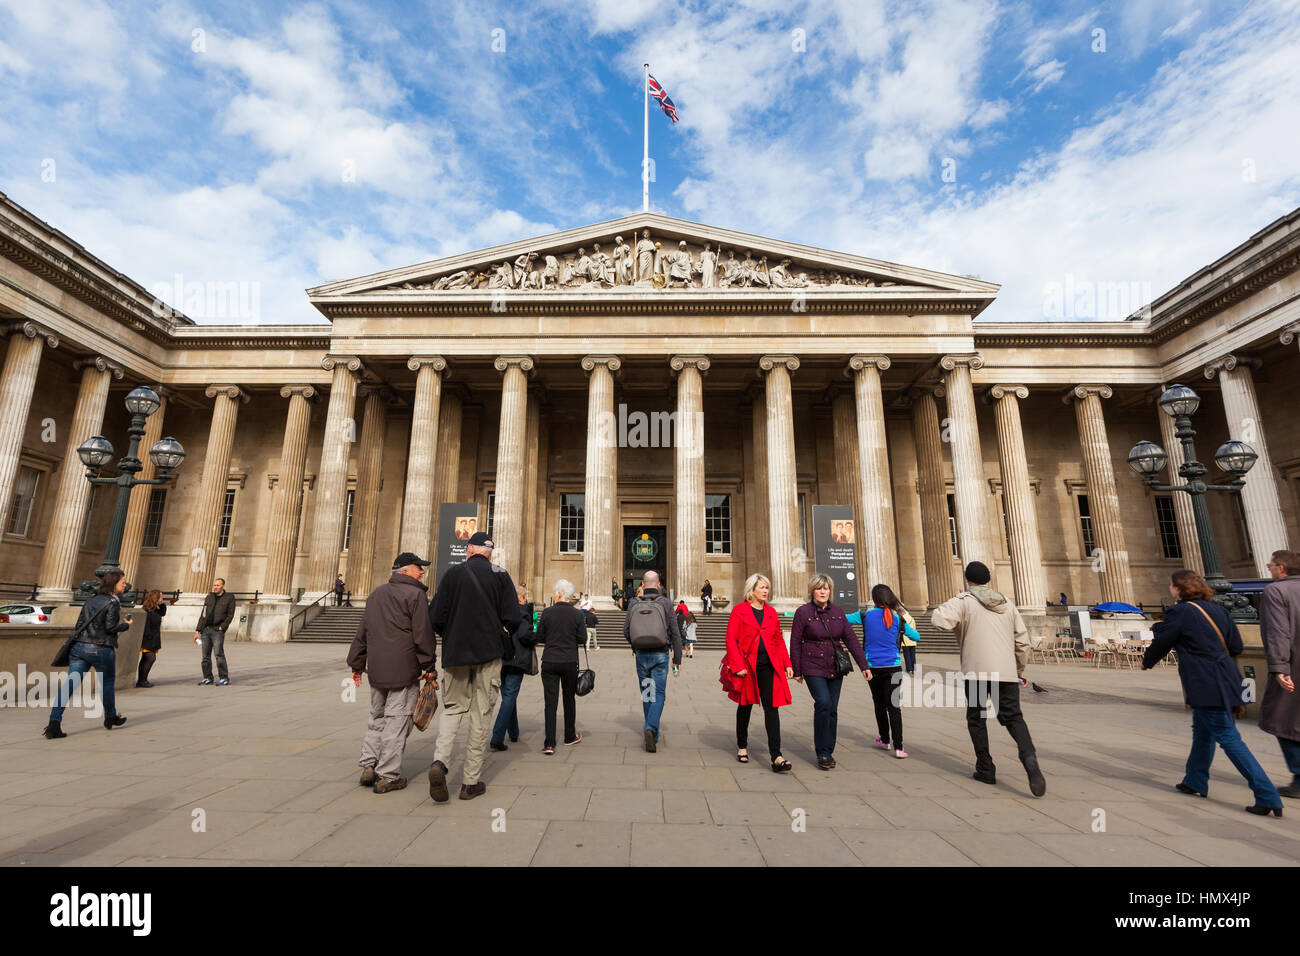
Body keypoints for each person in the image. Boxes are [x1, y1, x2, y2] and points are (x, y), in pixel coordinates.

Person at [1143, 569, 1282, 816]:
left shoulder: (1180, 612)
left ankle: (1267, 795)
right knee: (1203, 731)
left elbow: (1163, 640)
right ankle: (1195, 780)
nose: (1171, 589)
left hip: (1204, 682)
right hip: (1227, 677)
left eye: (1172, 585)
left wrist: (1147, 661)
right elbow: (1236, 646)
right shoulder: (1220, 611)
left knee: (1228, 738)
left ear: (1179, 588)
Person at [931, 561, 1045, 797]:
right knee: (1014, 718)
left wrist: (956, 601)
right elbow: (1023, 643)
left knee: (977, 718)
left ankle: (986, 767)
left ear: (967, 580)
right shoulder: (1008, 604)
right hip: (1006, 674)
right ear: (988, 580)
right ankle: (1028, 755)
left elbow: (939, 620)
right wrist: (1019, 670)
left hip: (976, 674)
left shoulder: (964, 601)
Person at [426, 531, 521, 802]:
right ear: (489, 552)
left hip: (455, 654)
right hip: (488, 654)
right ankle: (470, 782)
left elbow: (435, 618)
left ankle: (441, 763)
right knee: (481, 714)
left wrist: (453, 635)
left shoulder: (452, 575)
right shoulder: (500, 575)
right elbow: (513, 618)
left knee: (453, 709)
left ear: (469, 550)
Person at [347, 553, 438, 794]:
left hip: (377, 669)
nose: (422, 572)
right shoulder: (415, 595)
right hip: (403, 669)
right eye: (419, 568)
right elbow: (422, 635)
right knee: (397, 722)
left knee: (376, 718)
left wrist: (357, 664)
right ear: (405, 571)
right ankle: (388, 775)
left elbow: (363, 630)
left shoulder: (376, 594)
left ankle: (368, 765)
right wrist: (429, 667)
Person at [790, 573, 869, 770]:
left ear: (830, 591)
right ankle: (821, 752)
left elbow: (851, 640)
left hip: (835, 665)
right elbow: (795, 642)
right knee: (823, 703)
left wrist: (864, 666)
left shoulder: (838, 613)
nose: (823, 591)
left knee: (832, 709)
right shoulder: (803, 612)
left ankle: (828, 749)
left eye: (826, 588)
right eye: (819, 588)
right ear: (812, 591)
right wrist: (797, 669)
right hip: (812, 664)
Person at [44, 569, 133, 738]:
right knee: (106, 683)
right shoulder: (113, 602)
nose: (124, 585)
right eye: (122, 582)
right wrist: (126, 625)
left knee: (69, 685)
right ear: (114, 584)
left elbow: (79, 624)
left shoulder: (90, 600)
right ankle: (110, 716)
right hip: (101, 648)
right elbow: (110, 628)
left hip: (79, 648)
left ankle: (53, 723)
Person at [724, 572, 794, 771]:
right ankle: (742, 746)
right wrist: (737, 666)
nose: (766, 591)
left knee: (772, 708)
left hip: (769, 666)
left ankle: (776, 755)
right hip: (747, 667)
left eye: (767, 587)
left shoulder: (771, 612)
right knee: (745, 705)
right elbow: (731, 639)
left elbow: (778, 641)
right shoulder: (739, 610)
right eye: (762, 587)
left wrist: (787, 664)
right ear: (751, 589)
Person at [847, 584, 920, 759]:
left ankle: (885, 740)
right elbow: (917, 637)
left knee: (879, 705)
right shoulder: (898, 618)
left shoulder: (865, 615)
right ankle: (899, 748)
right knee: (894, 707)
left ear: (874, 599)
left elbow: (844, 619)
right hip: (893, 667)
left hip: (873, 667)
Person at [624, 570, 683, 752]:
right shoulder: (665, 603)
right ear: (658, 585)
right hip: (660, 654)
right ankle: (650, 728)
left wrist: (636, 645)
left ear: (642, 584)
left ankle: (653, 733)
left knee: (647, 693)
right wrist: (678, 657)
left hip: (641, 655)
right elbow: (675, 631)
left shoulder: (633, 602)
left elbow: (626, 630)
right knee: (659, 694)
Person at [1260, 550, 1300, 798]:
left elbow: (1278, 632)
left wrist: (1279, 667)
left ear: (1281, 568)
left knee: (1280, 719)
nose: (1270, 569)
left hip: (1293, 665)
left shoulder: (1276, 591)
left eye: (1271, 565)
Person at [537, 579, 586, 753]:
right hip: (569, 662)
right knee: (568, 699)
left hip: (549, 661)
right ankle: (569, 736)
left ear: (559, 594)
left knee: (550, 703)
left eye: (554, 591)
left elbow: (540, 637)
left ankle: (549, 743)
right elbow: (582, 639)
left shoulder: (547, 612)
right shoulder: (577, 614)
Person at [491, 585, 537, 752]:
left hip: (502, 659)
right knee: (510, 696)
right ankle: (497, 736)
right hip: (516, 660)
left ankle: (514, 732)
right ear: (521, 598)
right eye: (524, 598)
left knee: (508, 696)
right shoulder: (522, 613)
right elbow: (525, 635)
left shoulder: (500, 613)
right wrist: (535, 638)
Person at [193, 577, 235, 685]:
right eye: (214, 585)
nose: (215, 587)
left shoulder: (229, 598)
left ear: (223, 586)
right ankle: (207, 677)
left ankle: (224, 677)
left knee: (218, 654)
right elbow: (203, 614)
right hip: (206, 630)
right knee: (205, 656)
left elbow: (230, 615)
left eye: (218, 585)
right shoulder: (209, 597)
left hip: (218, 630)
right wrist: (197, 630)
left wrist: (223, 627)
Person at [135, 589, 167, 687]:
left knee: (145, 659)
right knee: (151, 658)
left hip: (153, 638)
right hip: (148, 639)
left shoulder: (156, 610)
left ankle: (142, 680)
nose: (162, 599)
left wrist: (162, 604)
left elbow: (163, 612)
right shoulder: (147, 610)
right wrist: (148, 638)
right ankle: (142, 680)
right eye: (160, 597)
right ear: (155, 598)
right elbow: (146, 626)